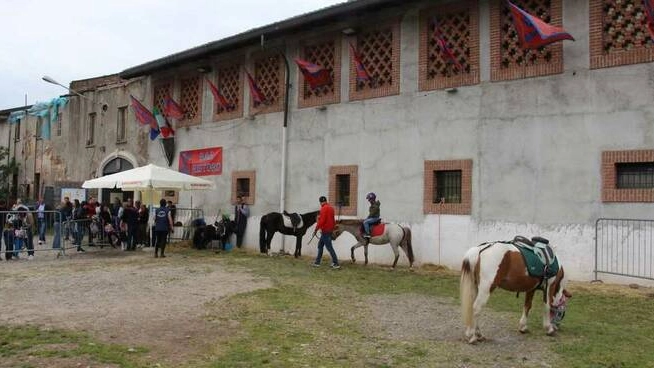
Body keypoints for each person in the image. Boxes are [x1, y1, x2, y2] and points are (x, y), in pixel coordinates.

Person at [312, 196, 340, 269]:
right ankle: (317, 262)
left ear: (320, 202)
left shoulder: (323, 209)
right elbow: (333, 220)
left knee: (329, 248)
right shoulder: (331, 208)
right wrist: (332, 229)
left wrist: (315, 230)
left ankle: (336, 263)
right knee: (320, 245)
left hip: (325, 231)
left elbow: (322, 221)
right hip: (329, 230)